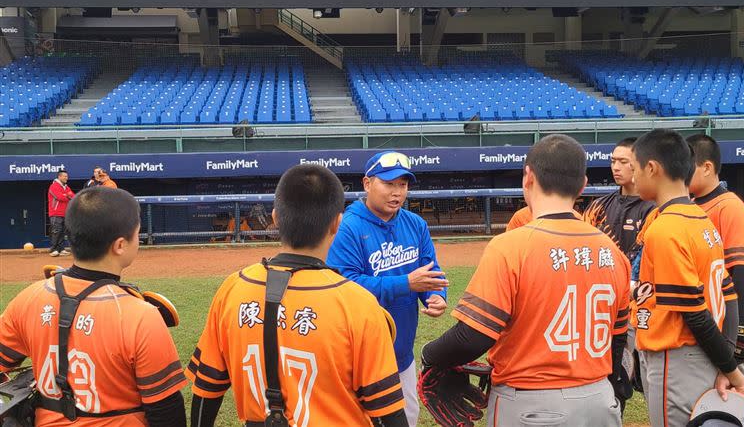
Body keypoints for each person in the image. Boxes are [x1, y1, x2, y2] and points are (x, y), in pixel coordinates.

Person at [421, 134, 632, 427]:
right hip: (599, 399)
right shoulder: (613, 252)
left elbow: (473, 336)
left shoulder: (511, 246)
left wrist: (429, 355)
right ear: (583, 185)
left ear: (528, 177)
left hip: (532, 403)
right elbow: (617, 337)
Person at [187, 164, 407, 427]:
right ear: (337, 223)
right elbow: (388, 412)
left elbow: (205, 391)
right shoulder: (358, 304)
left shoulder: (232, 289)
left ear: (276, 218)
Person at [0, 186, 187, 426]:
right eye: (136, 234)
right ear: (120, 245)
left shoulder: (29, 298)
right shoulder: (141, 315)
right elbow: (166, 410)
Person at [630, 129, 744, 427]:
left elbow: (695, 313)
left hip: (678, 359)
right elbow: (728, 293)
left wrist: (733, 371)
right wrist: (728, 359)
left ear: (652, 168)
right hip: (706, 355)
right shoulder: (701, 220)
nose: (633, 178)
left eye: (634, 169)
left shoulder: (666, 228)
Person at [327, 151, 448, 427]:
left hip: (401, 352)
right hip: (358, 355)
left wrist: (435, 297)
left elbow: (431, 273)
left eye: (403, 185)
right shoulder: (349, 227)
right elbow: (344, 286)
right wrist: (406, 283)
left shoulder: (415, 224)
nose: (397, 192)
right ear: (367, 184)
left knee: (406, 418)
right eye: (389, 183)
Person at [687, 134, 744, 348]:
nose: (680, 173)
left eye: (687, 167)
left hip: (725, 317)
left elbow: (742, 270)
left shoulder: (729, 207)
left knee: (732, 379)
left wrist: (741, 331)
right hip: (700, 315)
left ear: (707, 167)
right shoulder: (689, 205)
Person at [583, 137, 655, 262]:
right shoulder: (597, 207)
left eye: (623, 162)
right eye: (613, 161)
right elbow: (582, 245)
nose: (615, 167)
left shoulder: (654, 209)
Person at [47, 169, 75, 257]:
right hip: (55, 213)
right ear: (59, 177)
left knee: (62, 231)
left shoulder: (66, 187)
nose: (67, 178)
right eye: (65, 176)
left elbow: (73, 196)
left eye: (67, 176)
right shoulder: (53, 186)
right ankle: (54, 249)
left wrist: (66, 195)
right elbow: (59, 197)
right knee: (56, 231)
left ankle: (61, 249)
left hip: (65, 212)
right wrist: (67, 195)